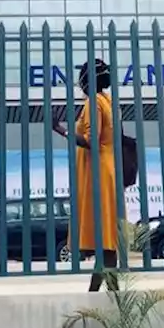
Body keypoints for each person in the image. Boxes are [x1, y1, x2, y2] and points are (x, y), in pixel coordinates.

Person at [53, 59, 119, 292]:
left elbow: (91, 141)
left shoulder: (94, 104)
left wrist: (61, 130)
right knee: (106, 239)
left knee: (104, 238)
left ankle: (107, 294)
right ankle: (104, 293)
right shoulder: (108, 102)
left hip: (97, 175)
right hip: (107, 171)